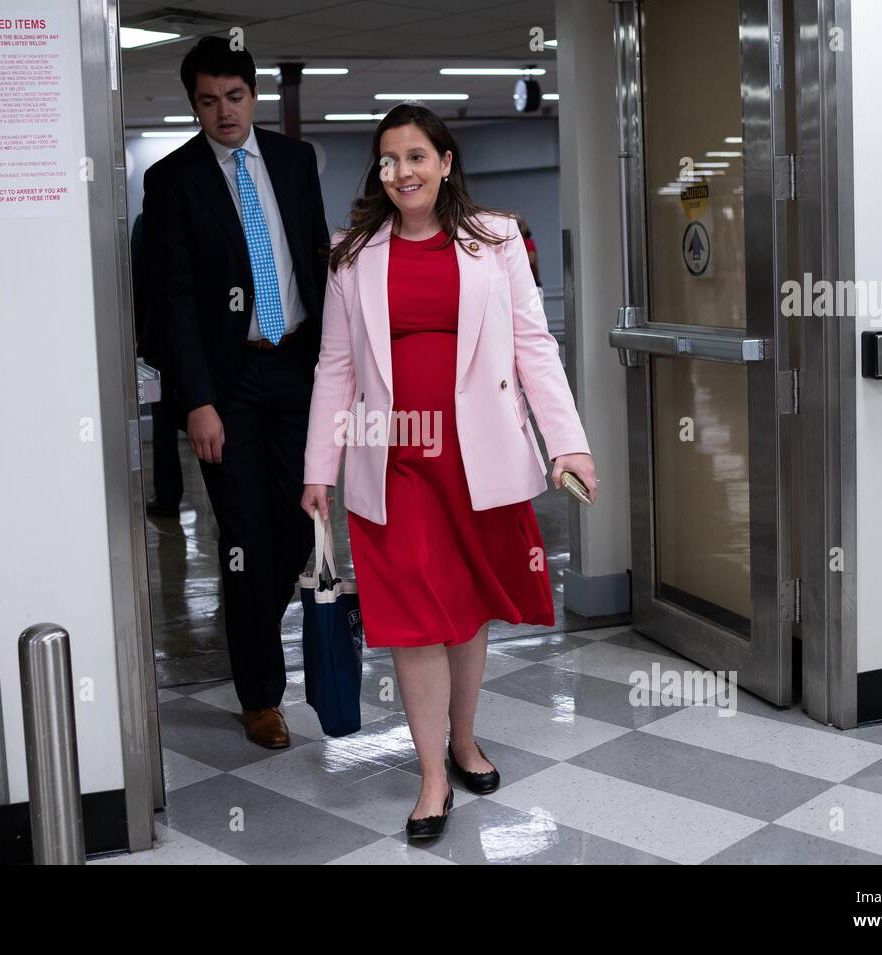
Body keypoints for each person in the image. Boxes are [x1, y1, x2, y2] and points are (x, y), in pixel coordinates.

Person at [301, 104, 597, 838]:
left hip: (477, 456)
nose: (401, 171)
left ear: (445, 162)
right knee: (412, 621)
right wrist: (320, 467)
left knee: (464, 609)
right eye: (388, 160)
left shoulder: (495, 239)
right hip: (391, 457)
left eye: (415, 157)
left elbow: (534, 345)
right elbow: (336, 365)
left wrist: (569, 441)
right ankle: (433, 774)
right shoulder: (352, 252)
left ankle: (464, 738)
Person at [142, 36, 330, 748]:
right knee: (246, 534)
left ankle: (259, 620)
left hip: (297, 367)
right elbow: (175, 299)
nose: (224, 112)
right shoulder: (173, 180)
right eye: (208, 100)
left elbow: (316, 261)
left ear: (255, 96)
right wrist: (196, 400)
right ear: (193, 104)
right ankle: (260, 693)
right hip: (229, 384)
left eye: (235, 96)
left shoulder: (292, 162)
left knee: (295, 523)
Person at [130, 212, 184, 515]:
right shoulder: (198, 216)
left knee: (163, 421)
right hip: (201, 339)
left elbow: (136, 279)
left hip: (157, 339)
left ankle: (167, 496)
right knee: (218, 416)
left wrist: (138, 334)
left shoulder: (145, 222)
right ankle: (228, 500)